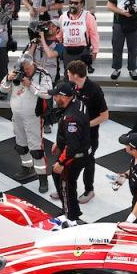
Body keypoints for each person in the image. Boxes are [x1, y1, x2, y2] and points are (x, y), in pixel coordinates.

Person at [0, 58, 53, 191]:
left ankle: (42, 178)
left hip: (33, 117)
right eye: (24, 71)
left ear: (32, 64)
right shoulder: (16, 72)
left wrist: (30, 85)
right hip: (17, 116)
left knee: (36, 149)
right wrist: (7, 78)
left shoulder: (42, 74)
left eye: (28, 70)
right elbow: (3, 89)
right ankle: (27, 168)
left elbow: (48, 94)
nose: (26, 73)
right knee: (21, 145)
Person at [66, 60, 109, 204]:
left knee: (88, 161)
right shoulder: (73, 86)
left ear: (76, 75)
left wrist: (85, 125)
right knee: (68, 158)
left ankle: (89, 190)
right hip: (73, 133)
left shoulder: (94, 90)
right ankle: (65, 188)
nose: (67, 74)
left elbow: (105, 116)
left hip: (89, 136)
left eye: (69, 73)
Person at [48, 82, 90, 224]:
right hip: (80, 151)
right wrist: (59, 143)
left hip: (74, 156)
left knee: (65, 184)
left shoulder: (71, 118)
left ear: (64, 97)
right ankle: (72, 209)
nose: (54, 98)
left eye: (56, 96)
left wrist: (61, 162)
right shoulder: (77, 102)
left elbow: (72, 146)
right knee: (61, 178)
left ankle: (70, 217)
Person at [56, 0, 99, 70]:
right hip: (67, 51)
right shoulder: (63, 17)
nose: (72, 5)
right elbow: (59, 35)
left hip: (82, 50)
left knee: (81, 76)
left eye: (76, 3)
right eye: (71, 2)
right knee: (68, 75)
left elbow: (94, 34)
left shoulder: (88, 17)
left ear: (82, 4)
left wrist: (95, 51)